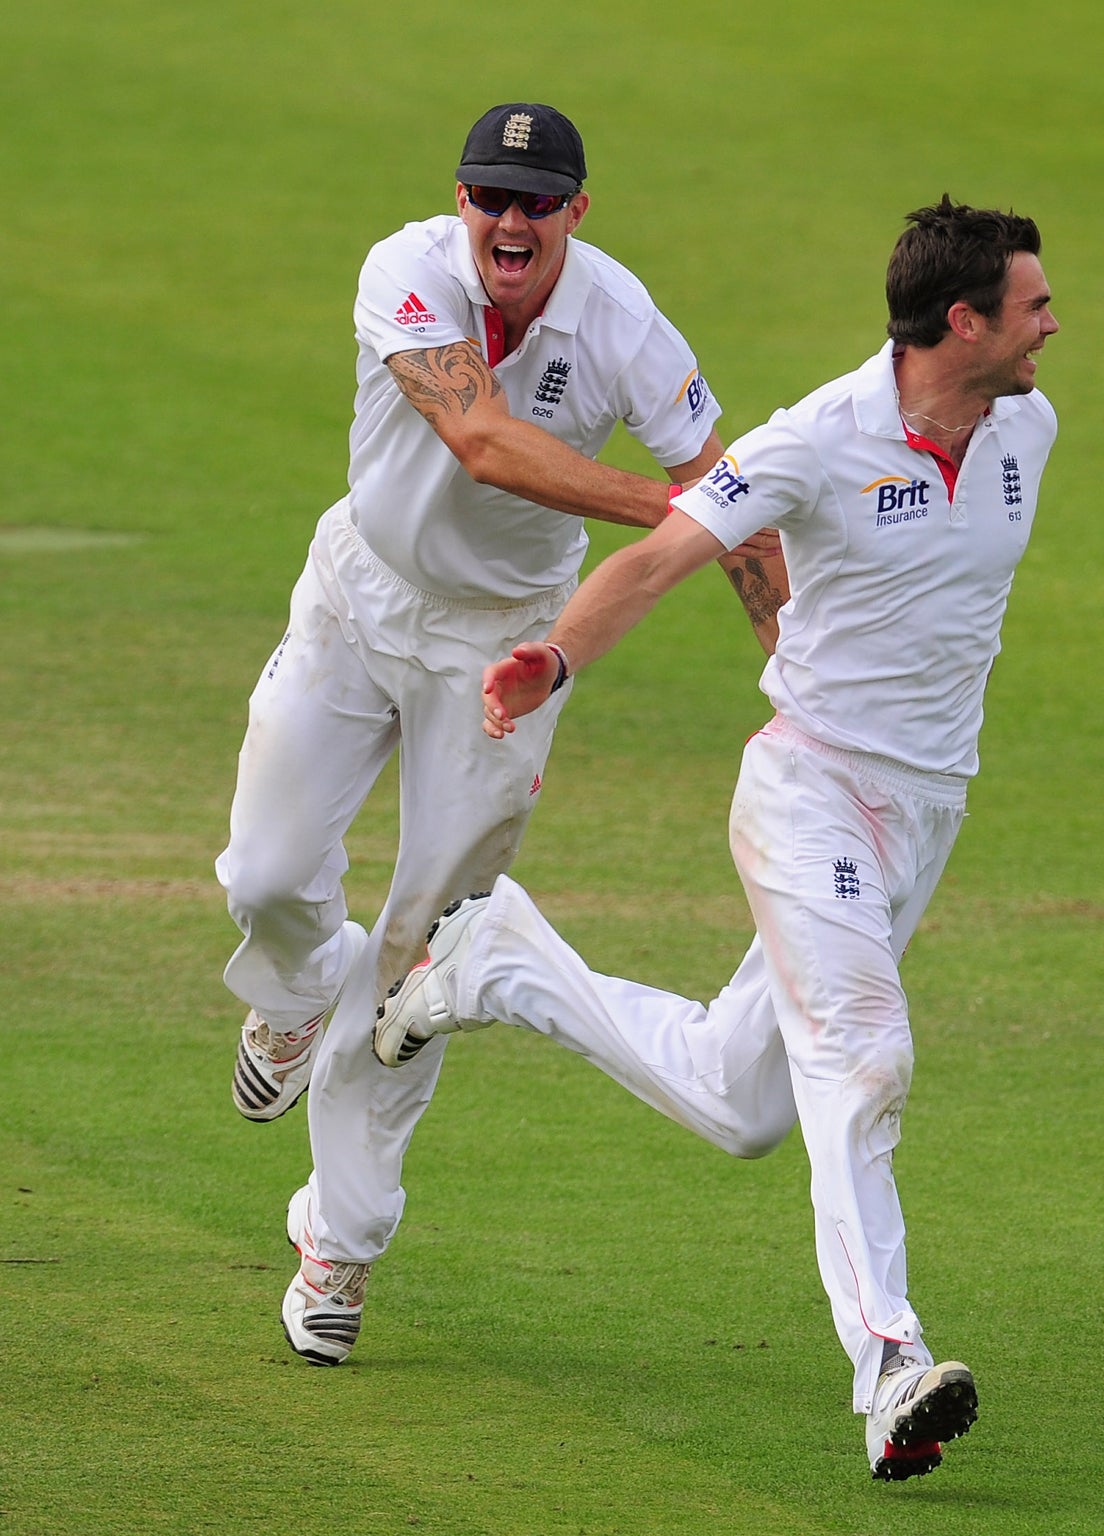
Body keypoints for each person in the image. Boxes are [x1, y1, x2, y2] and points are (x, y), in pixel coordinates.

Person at [371, 196, 1060, 1479]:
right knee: (861, 1063)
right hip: (810, 791)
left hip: (926, 811)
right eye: (1030, 307)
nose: (1051, 326)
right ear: (959, 322)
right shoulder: (812, 439)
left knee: (741, 1103)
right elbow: (662, 558)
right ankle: (890, 1362)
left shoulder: (1027, 424)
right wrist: (555, 659)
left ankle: (492, 965)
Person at [214, 102, 788, 1362]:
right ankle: (299, 990)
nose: (508, 221)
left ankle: (339, 1246)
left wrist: (800, 672)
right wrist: (670, 505)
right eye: (489, 197)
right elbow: (475, 440)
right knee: (264, 876)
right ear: (459, 198)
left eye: (536, 202)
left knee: (423, 950)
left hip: (506, 649)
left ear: (577, 211)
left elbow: (739, 497)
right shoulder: (404, 268)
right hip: (358, 596)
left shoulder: (627, 326)